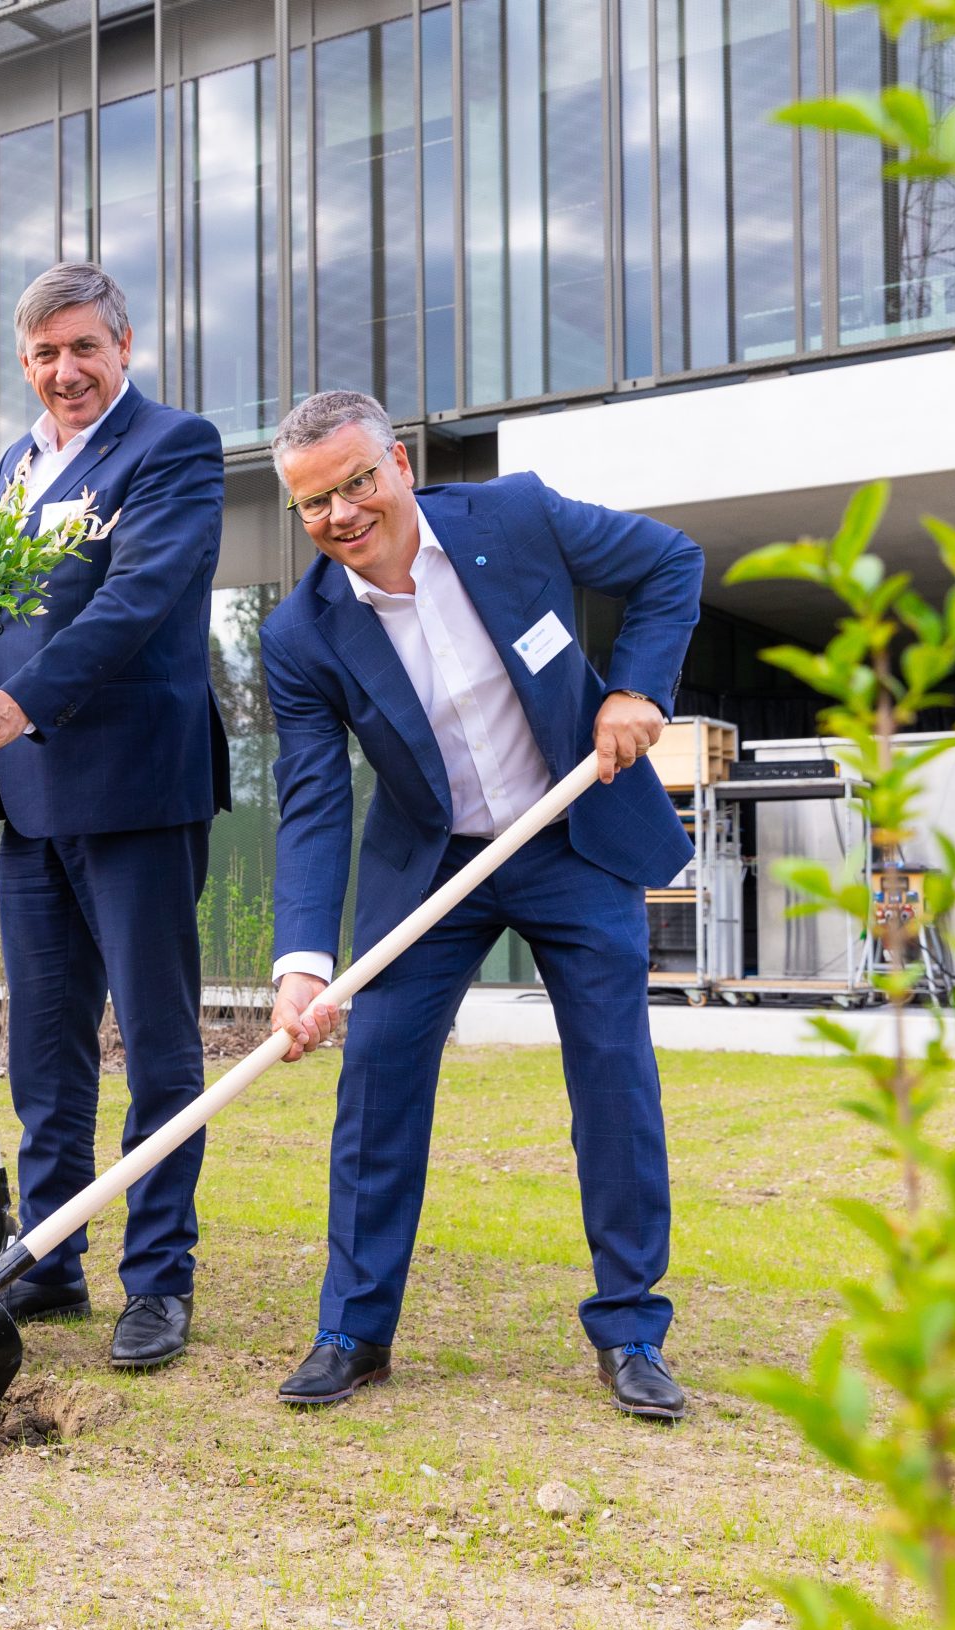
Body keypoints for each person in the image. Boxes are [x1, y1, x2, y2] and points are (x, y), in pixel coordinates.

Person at [257, 390, 701, 1420]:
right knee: (376, 1080)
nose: (341, 515)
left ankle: (631, 1329)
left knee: (612, 1076)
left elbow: (669, 563)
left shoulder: (516, 517)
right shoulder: (301, 635)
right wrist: (301, 968)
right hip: (431, 870)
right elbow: (314, 806)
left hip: (570, 839)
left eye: (357, 480)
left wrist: (637, 690)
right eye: (313, 503)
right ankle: (353, 1331)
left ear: (400, 463)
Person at [0, 262, 231, 1371]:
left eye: (83, 349)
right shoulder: (7, 470)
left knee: (155, 1045)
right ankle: (50, 1256)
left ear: (124, 346)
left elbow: (138, 599)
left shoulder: (174, 449)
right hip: (22, 795)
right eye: (44, 354)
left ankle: (159, 1278)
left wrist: (22, 702)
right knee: (44, 1052)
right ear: (24, 363)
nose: (65, 371)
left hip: (134, 790)